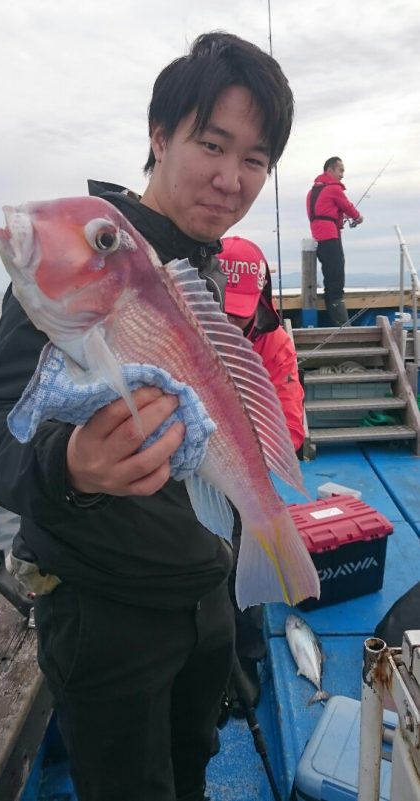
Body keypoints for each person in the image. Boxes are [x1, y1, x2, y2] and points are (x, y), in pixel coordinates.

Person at [0, 32, 294, 801]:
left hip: (203, 596)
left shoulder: (206, 270)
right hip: (106, 612)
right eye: (211, 143)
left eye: (254, 159)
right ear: (160, 135)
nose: (230, 178)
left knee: (192, 771)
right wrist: (71, 468)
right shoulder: (88, 269)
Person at [218, 235, 305, 715]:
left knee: (239, 573)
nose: (232, 320)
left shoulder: (273, 341)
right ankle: (207, 669)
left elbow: (290, 427)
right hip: (188, 473)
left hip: (243, 474)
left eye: (242, 309)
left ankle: (246, 665)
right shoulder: (183, 327)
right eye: (222, 307)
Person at [306, 156, 364, 326]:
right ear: (330, 170)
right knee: (336, 278)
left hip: (319, 236)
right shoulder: (333, 189)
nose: (342, 175)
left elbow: (323, 210)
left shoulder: (313, 192)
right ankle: (342, 324)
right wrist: (358, 218)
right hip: (330, 236)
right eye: (341, 170)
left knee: (330, 277)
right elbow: (348, 206)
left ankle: (337, 321)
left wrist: (339, 216)